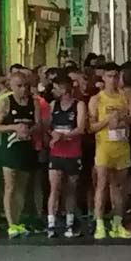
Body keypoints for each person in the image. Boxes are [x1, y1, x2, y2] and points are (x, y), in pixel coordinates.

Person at [89, 63, 131, 240]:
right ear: (103, 78)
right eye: (109, 76)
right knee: (102, 184)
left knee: (119, 187)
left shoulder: (126, 95)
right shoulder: (97, 99)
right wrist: (107, 121)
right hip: (104, 147)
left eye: (116, 76)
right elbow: (91, 126)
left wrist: (122, 119)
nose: (113, 80)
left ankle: (117, 223)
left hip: (121, 146)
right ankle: (99, 223)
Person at [0, 69, 42, 239]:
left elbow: (38, 124)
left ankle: (18, 220)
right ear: (12, 86)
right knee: (10, 186)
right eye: (19, 86)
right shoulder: (6, 102)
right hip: (10, 148)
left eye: (26, 86)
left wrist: (28, 130)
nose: (23, 89)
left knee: (22, 186)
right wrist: (14, 127)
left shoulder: (33, 102)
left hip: (26, 147)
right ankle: (10, 223)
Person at [48, 72, 87, 238]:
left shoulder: (79, 105)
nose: (53, 91)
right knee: (55, 187)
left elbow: (81, 128)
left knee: (71, 188)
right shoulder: (53, 105)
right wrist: (53, 135)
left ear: (64, 89)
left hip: (72, 152)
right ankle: (51, 224)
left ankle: (70, 223)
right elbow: (47, 126)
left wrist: (63, 136)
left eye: (56, 88)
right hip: (56, 152)